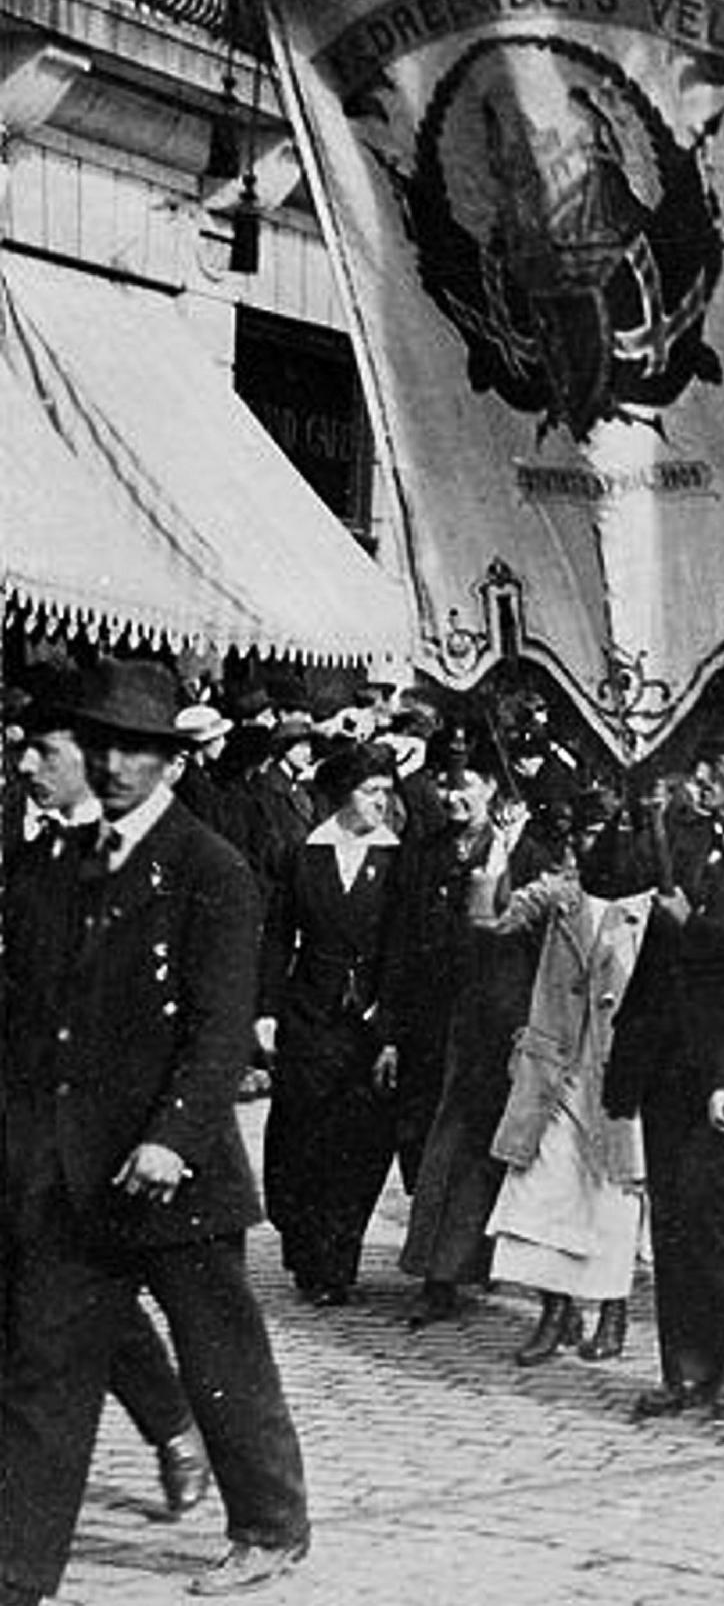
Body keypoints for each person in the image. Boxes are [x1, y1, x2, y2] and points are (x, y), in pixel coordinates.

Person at [0, 660, 309, 1602]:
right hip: (71, 1170)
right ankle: (17, 1568)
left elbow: (219, 1030)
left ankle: (269, 1524)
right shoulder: (54, 863)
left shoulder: (211, 869)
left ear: (172, 761)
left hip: (174, 1171)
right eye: (101, 745)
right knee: (42, 1367)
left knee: (220, 1356)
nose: (114, 762)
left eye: (137, 747)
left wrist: (173, 1133)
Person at [3, 699, 211, 1521]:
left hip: (76, 1127)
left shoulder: (123, 854)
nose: (23, 765)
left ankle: (171, 1428)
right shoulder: (38, 841)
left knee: (70, 1298)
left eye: (41, 751)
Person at [604, 746, 724, 1418]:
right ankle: (686, 1367)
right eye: (695, 768)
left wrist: (690, 925)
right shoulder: (680, 831)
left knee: (716, 1204)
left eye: (716, 768)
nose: (700, 781)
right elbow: (611, 874)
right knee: (673, 1218)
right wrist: (632, 804)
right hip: (664, 1052)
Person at [475, 802, 652, 1367]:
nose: (598, 842)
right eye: (589, 831)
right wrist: (499, 850)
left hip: (620, 1075)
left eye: (611, 830)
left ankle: (612, 1311)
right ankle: (555, 1312)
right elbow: (490, 917)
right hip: (553, 1070)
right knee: (541, 1194)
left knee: (611, 1199)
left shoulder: (652, 907)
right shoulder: (560, 895)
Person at [384, 728, 550, 1325]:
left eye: (465, 784)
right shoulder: (426, 851)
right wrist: (393, 1028)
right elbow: (401, 940)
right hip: (436, 1021)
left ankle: (457, 1271)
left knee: (476, 1146)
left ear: (494, 790)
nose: (452, 796)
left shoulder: (527, 854)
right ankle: (444, 1269)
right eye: (444, 783)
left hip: (499, 1022)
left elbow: (537, 945)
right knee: (436, 1146)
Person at [258, 740, 402, 1305]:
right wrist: (266, 1011)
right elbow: (276, 936)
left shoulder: (397, 859)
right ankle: (305, 1248)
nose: (381, 804)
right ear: (344, 795)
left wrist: (389, 1024)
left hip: (368, 1020)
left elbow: (403, 949)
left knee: (359, 1142)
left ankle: (336, 1262)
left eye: (387, 793)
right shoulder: (304, 854)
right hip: (309, 1014)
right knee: (301, 1133)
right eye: (371, 793)